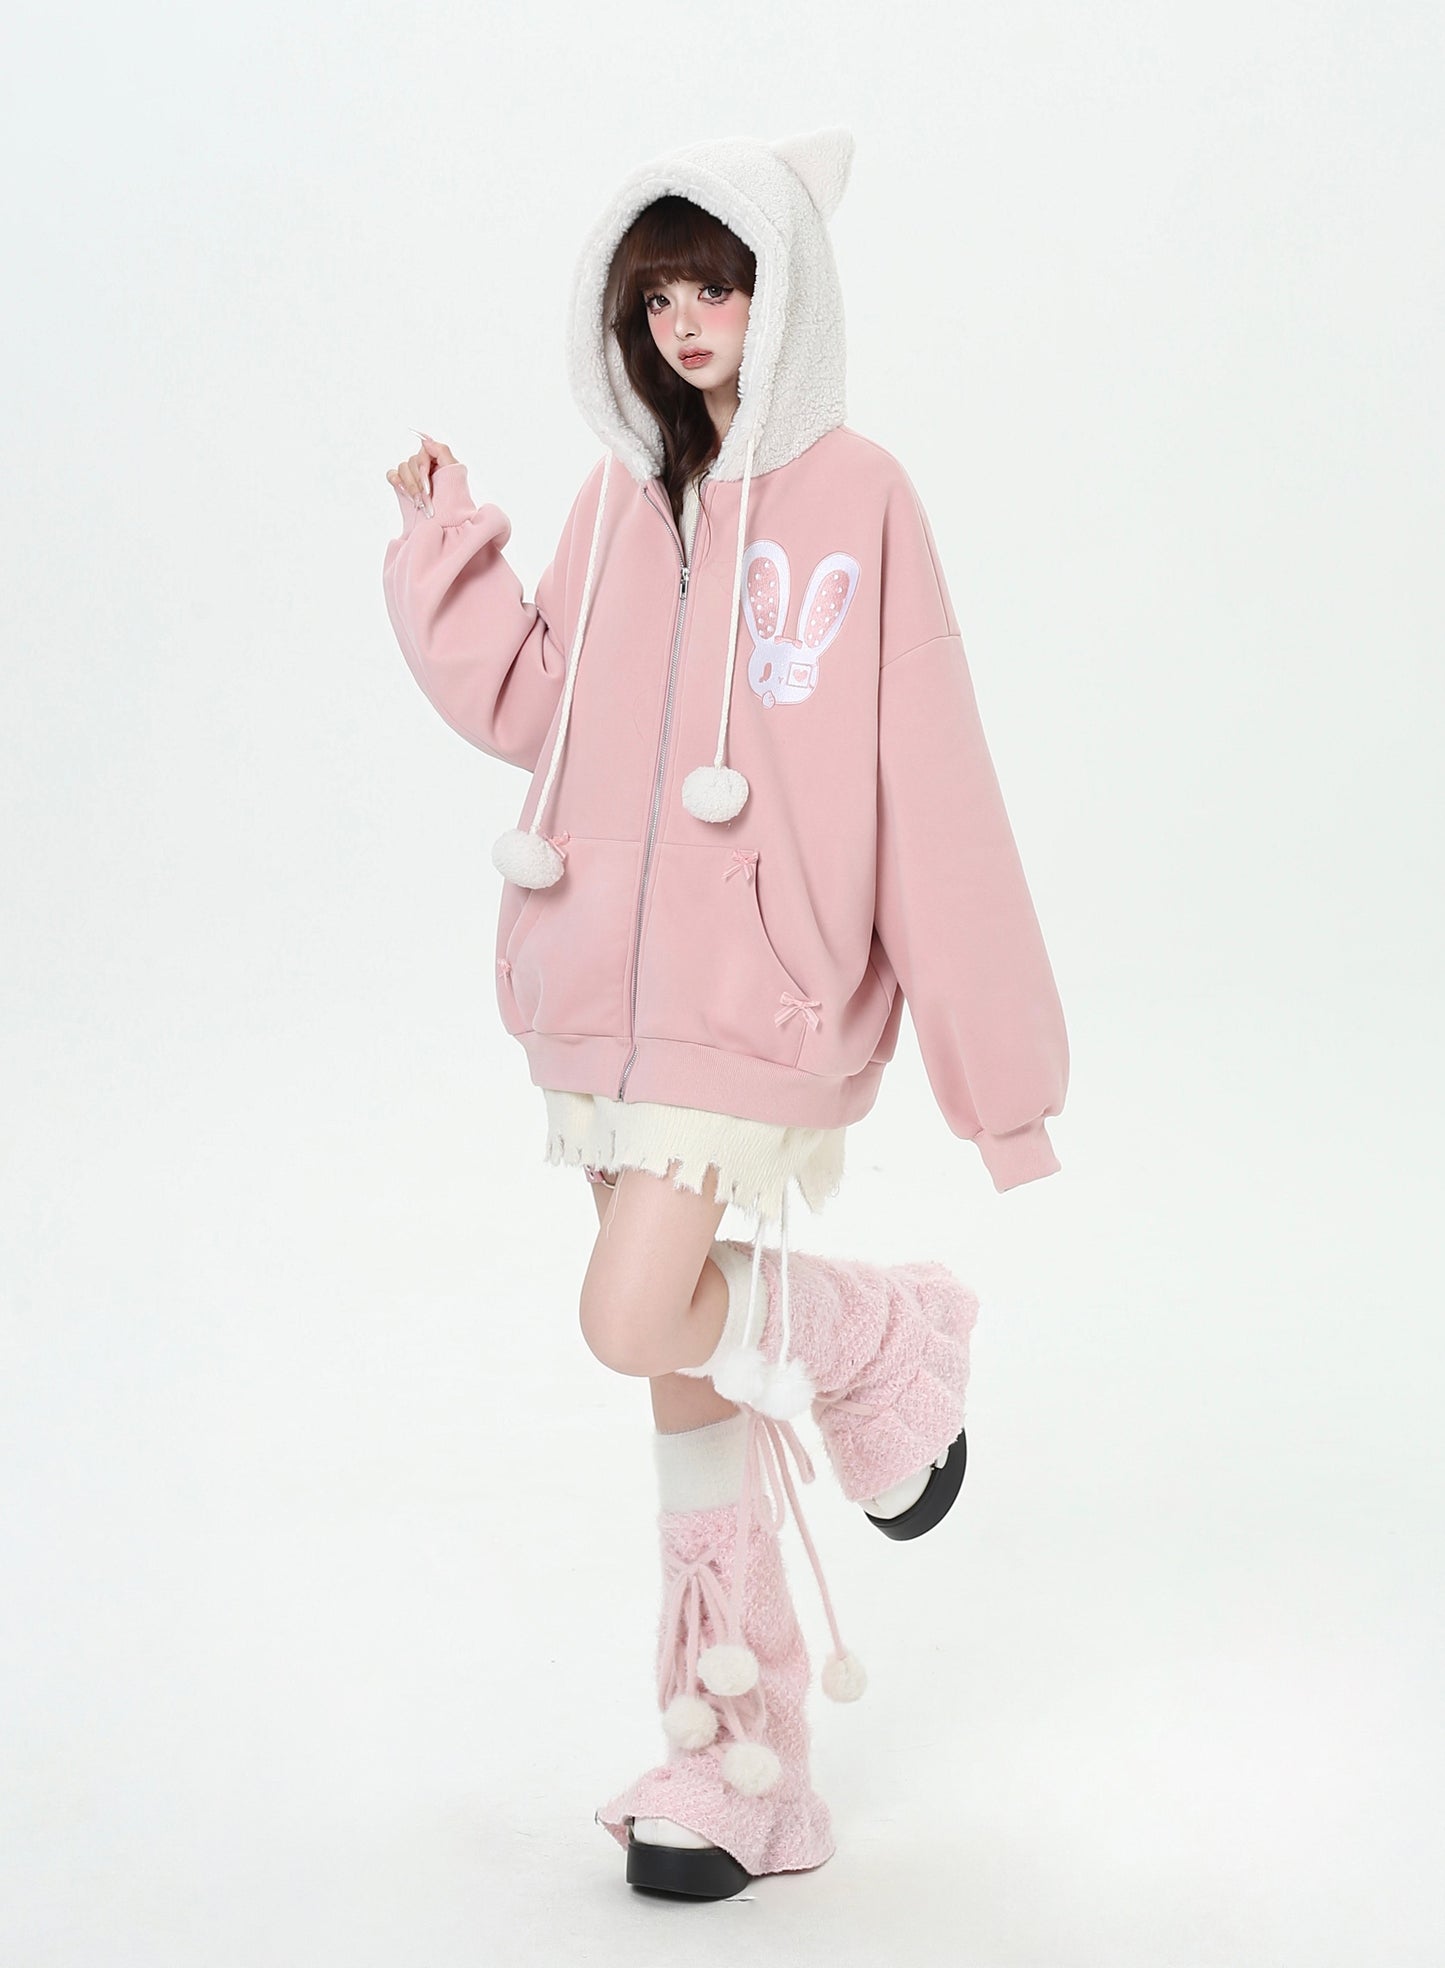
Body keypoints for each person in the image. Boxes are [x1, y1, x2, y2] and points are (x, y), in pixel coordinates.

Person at [382, 125, 1069, 1901]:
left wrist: (999, 1081)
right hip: (597, 1003)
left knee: (632, 1316)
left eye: (720, 290)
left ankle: (876, 1332)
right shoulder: (620, 501)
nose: (687, 327)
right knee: (682, 1377)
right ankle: (737, 1762)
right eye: (659, 299)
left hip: (749, 1006)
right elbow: (535, 702)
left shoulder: (862, 498)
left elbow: (931, 779)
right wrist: (446, 546)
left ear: (788, 298)